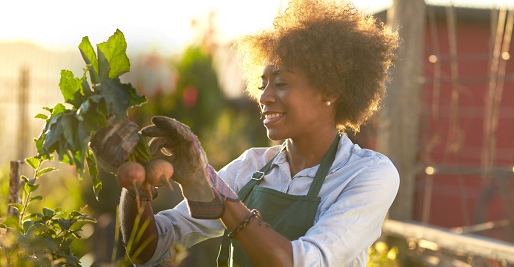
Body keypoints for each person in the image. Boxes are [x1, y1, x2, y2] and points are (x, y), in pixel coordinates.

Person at [91, 0, 400, 266]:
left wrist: (218, 195)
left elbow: (303, 261)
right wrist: (135, 183)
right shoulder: (252, 167)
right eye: (262, 83)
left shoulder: (367, 175)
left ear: (329, 90)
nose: (264, 96)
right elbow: (148, 250)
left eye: (281, 83)